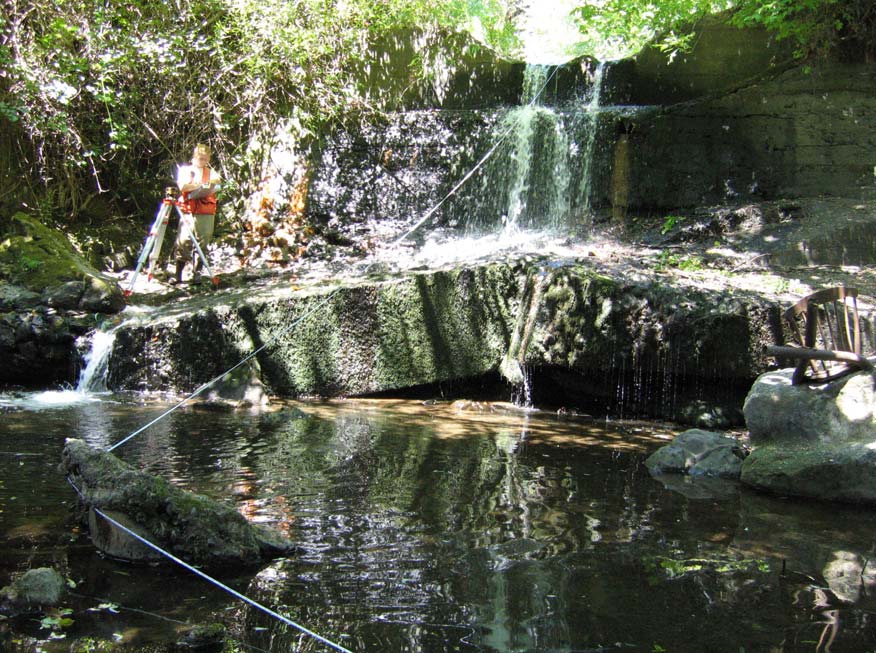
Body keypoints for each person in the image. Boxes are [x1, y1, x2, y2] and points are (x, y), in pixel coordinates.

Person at [171, 143, 220, 284]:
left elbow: (217, 182)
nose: (202, 161)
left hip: (206, 210)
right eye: (200, 158)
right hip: (188, 210)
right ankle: (178, 274)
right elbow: (183, 186)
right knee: (184, 240)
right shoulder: (186, 170)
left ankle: (197, 273)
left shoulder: (210, 172)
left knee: (203, 240)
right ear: (194, 157)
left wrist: (205, 184)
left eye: (205, 158)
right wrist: (199, 185)